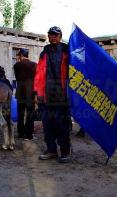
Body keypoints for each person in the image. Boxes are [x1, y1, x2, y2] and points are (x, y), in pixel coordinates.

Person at [34, 26, 71, 163]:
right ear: (48, 37)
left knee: (62, 125)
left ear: (60, 36)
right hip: (46, 94)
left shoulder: (67, 50)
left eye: (56, 35)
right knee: (48, 124)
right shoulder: (45, 52)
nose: (53, 37)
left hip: (62, 95)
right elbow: (39, 73)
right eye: (51, 35)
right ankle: (51, 150)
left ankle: (65, 151)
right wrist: (38, 92)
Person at [13, 49, 37, 140]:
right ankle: (29, 135)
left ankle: (20, 133)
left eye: (18, 55)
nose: (17, 57)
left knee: (20, 114)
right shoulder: (34, 65)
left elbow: (18, 78)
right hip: (31, 93)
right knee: (30, 114)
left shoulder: (16, 65)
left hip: (20, 92)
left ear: (21, 55)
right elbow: (36, 80)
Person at [0, 65, 13, 132]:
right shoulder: (6, 80)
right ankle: (4, 124)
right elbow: (11, 89)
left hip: (0, 98)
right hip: (6, 98)